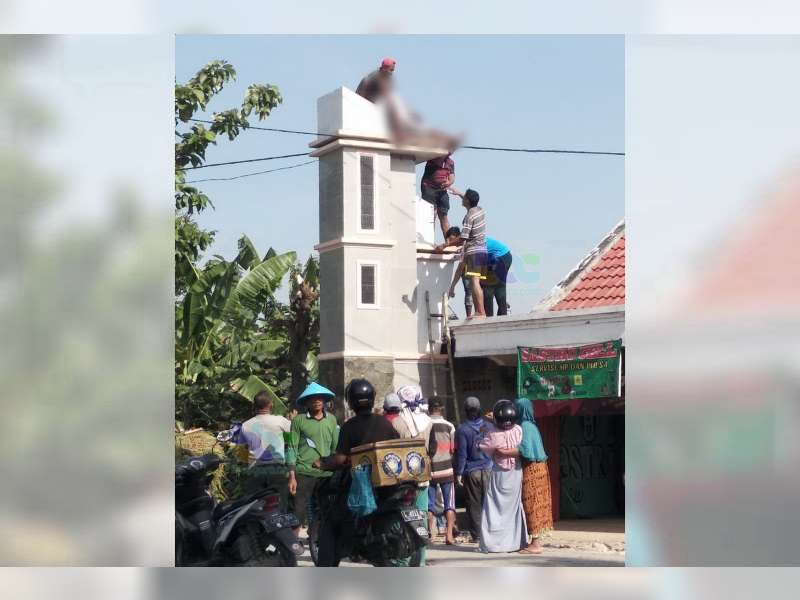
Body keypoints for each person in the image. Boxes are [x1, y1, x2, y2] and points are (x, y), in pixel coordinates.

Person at [316, 379, 400, 566]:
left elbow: (339, 460)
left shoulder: (350, 426)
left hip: (360, 485)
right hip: (389, 484)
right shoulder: (385, 423)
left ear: (351, 401)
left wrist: (324, 464)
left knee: (331, 520)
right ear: (372, 399)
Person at [500, 398, 553, 554]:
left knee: (532, 505)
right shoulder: (532, 425)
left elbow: (524, 451)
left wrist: (502, 452)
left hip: (533, 470)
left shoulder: (525, 427)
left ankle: (535, 544)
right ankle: (534, 541)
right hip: (540, 468)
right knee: (537, 504)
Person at [477, 399, 528, 553]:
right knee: (514, 508)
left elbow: (481, 445)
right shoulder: (519, 430)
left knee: (494, 507)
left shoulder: (492, 434)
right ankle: (515, 543)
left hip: (500, 474)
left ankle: (493, 544)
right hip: (516, 473)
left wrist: (489, 425)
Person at [289, 381, 339, 530]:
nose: (317, 400)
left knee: (328, 512)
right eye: (312, 398)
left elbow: (335, 447)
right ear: (307, 402)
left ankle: (321, 540)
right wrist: (291, 475)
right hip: (303, 472)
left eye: (319, 398)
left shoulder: (331, 419)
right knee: (297, 514)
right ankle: (292, 549)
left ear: (324, 400)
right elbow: (291, 447)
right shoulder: (299, 420)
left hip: (326, 473)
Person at [237, 391, 296, 513]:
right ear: (270, 404)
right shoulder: (281, 421)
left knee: (256, 508)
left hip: (255, 470)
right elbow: (290, 443)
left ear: (254, 405)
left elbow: (241, 454)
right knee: (279, 507)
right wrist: (293, 421)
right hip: (277, 469)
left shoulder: (246, 425)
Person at [443, 187, 487, 319]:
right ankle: (480, 311)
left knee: (473, 281)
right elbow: (471, 201)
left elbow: (463, 238)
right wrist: (459, 194)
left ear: (467, 201)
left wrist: (445, 245)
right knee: (476, 282)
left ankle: (480, 311)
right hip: (482, 251)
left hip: (473, 251)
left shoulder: (469, 216)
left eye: (465, 197)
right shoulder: (480, 210)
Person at [455, 396, 493, 543]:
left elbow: (462, 454)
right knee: (489, 503)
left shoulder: (463, 429)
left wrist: (459, 473)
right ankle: (490, 532)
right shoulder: (488, 427)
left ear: (465, 411)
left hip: (472, 472)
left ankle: (477, 535)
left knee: (474, 505)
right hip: (489, 468)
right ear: (479, 410)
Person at [426, 397, 457, 545]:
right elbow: (452, 450)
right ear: (442, 409)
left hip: (430, 470)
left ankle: (430, 535)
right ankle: (449, 535)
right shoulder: (450, 426)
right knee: (449, 503)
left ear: (429, 408)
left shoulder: (425, 425)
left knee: (429, 504)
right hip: (446, 470)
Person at [420, 154, 455, 239]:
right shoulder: (432, 158)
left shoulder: (450, 162)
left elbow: (452, 177)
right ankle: (430, 240)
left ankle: (449, 241)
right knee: (432, 214)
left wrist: (449, 182)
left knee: (443, 215)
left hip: (442, 190)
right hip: (429, 188)